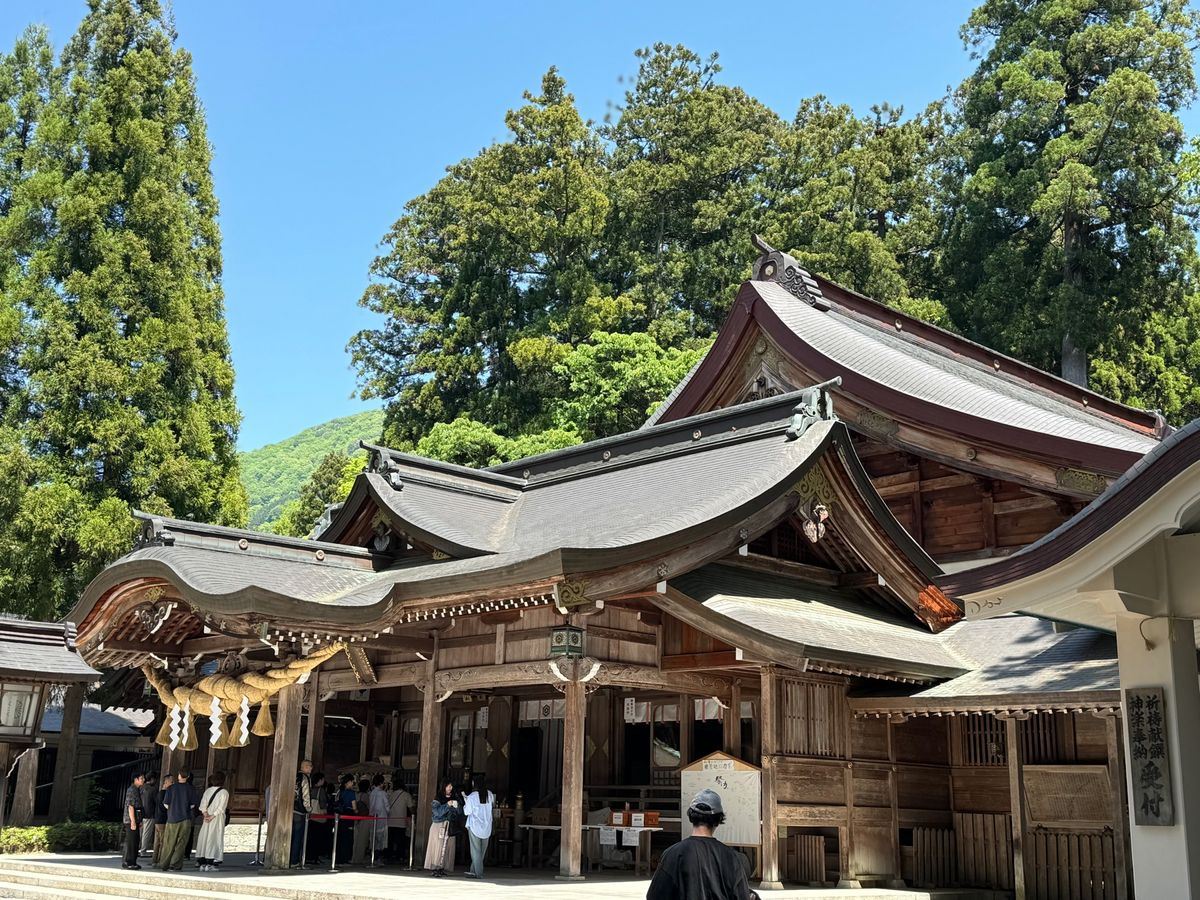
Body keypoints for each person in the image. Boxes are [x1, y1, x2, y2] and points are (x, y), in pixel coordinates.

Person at [646, 789, 756, 900]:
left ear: (691, 816)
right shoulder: (731, 857)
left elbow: (654, 896)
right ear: (718, 820)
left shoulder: (672, 854)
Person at [158, 771, 197, 872]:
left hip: (172, 818)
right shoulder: (191, 789)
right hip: (185, 819)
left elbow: (166, 804)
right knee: (181, 843)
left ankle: (164, 864)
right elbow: (192, 805)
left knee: (169, 843)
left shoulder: (171, 788)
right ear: (188, 776)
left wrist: (172, 810)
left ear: (179, 775)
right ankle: (175, 865)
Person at [424, 779, 460, 877]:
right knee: (438, 846)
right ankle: (435, 867)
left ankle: (442, 867)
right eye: (449, 786)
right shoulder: (438, 797)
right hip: (439, 824)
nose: (450, 788)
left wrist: (457, 807)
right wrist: (448, 805)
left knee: (448, 847)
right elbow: (437, 812)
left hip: (450, 825)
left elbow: (458, 812)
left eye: (451, 786)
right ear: (444, 786)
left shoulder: (454, 796)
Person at [195, 770, 230, 871]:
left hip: (206, 818)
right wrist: (212, 816)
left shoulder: (208, 791)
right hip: (216, 819)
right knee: (213, 838)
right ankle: (210, 862)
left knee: (205, 838)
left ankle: (202, 862)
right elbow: (221, 808)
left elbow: (203, 805)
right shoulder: (224, 792)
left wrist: (206, 814)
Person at [463, 773, 495, 880]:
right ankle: (473, 871)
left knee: (476, 851)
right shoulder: (489, 794)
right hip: (486, 826)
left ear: (474, 783)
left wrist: (465, 802)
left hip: (475, 826)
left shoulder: (472, 797)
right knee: (482, 852)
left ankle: (479, 873)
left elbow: (467, 812)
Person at [291, 759, 314, 867]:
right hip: (300, 810)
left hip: (290, 809)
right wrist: (308, 808)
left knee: (291, 835)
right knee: (298, 836)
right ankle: (294, 860)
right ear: (303, 767)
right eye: (309, 766)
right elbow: (306, 794)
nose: (311, 768)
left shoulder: (293, 776)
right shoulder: (305, 778)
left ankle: (288, 858)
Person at [121, 772, 146, 870]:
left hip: (134, 819)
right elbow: (130, 806)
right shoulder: (132, 790)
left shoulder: (136, 789)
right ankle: (130, 862)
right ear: (136, 779)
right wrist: (133, 821)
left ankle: (131, 861)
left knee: (134, 841)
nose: (143, 779)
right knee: (132, 842)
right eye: (141, 778)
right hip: (131, 819)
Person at [386, 778, 413, 864]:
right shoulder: (406, 795)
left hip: (390, 821)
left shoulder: (390, 794)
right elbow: (411, 808)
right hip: (401, 822)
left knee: (390, 840)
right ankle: (400, 857)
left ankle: (389, 856)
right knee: (400, 841)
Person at [334, 774, 357, 864]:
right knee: (348, 837)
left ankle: (338, 857)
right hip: (349, 815)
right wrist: (357, 811)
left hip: (340, 815)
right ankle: (345, 857)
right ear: (348, 782)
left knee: (340, 837)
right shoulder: (351, 793)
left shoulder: (340, 792)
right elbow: (354, 807)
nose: (353, 783)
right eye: (352, 781)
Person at [367, 775, 389, 865]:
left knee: (373, 838)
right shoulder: (383, 793)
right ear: (381, 783)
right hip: (382, 817)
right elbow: (387, 806)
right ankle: (378, 858)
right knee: (381, 839)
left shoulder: (371, 793)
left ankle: (373, 857)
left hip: (372, 817)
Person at [152, 775, 173, 863]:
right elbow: (165, 808)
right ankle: (161, 860)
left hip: (157, 819)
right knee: (163, 842)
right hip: (163, 820)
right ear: (166, 782)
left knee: (157, 842)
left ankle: (154, 860)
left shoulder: (160, 793)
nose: (173, 783)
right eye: (171, 782)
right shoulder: (165, 794)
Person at [352, 778, 372, 864]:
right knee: (362, 840)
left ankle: (354, 857)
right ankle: (359, 858)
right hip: (365, 818)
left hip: (356, 817)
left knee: (355, 839)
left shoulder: (356, 794)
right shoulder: (366, 796)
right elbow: (369, 807)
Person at [138, 771, 158, 857]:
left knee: (141, 833)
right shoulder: (153, 789)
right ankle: (143, 851)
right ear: (152, 779)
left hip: (141, 813)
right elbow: (156, 802)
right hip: (150, 813)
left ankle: (139, 849)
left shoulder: (140, 788)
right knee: (147, 834)